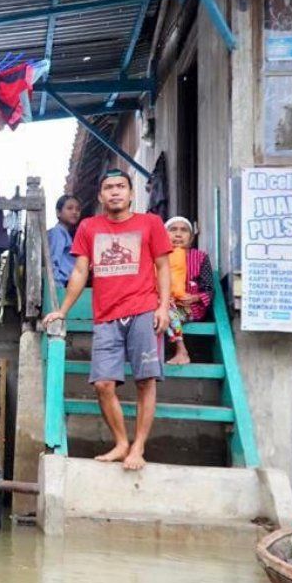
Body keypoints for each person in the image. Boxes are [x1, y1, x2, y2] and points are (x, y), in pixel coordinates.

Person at [42, 169, 171, 470]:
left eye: (121, 187)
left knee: (145, 381)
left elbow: (163, 267)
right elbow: (79, 271)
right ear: (100, 196)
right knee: (102, 384)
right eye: (109, 188)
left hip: (143, 310)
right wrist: (63, 310)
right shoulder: (89, 227)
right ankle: (121, 442)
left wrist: (163, 307)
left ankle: (138, 446)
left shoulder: (150, 223)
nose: (115, 192)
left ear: (130, 193)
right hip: (106, 315)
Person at [162, 216, 213, 365]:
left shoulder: (200, 257)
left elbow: (209, 288)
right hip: (163, 303)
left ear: (190, 238)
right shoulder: (159, 257)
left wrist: (195, 298)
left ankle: (181, 351)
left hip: (189, 307)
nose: (178, 234)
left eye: (183, 230)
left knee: (167, 312)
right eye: (173, 230)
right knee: (157, 311)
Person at [47, 195, 81, 289]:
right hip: (60, 284)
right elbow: (53, 262)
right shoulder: (58, 232)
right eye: (69, 208)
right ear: (58, 213)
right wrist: (57, 287)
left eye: (78, 209)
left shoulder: (67, 234)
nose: (74, 212)